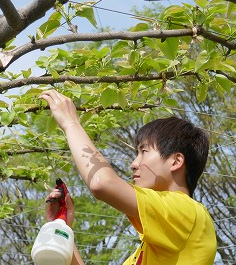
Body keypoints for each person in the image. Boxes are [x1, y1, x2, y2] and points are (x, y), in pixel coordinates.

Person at [40, 89, 217, 264]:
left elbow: (102, 183)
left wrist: (71, 124)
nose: (134, 163)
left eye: (144, 151)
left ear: (176, 161)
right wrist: (61, 227)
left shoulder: (187, 211)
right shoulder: (148, 250)